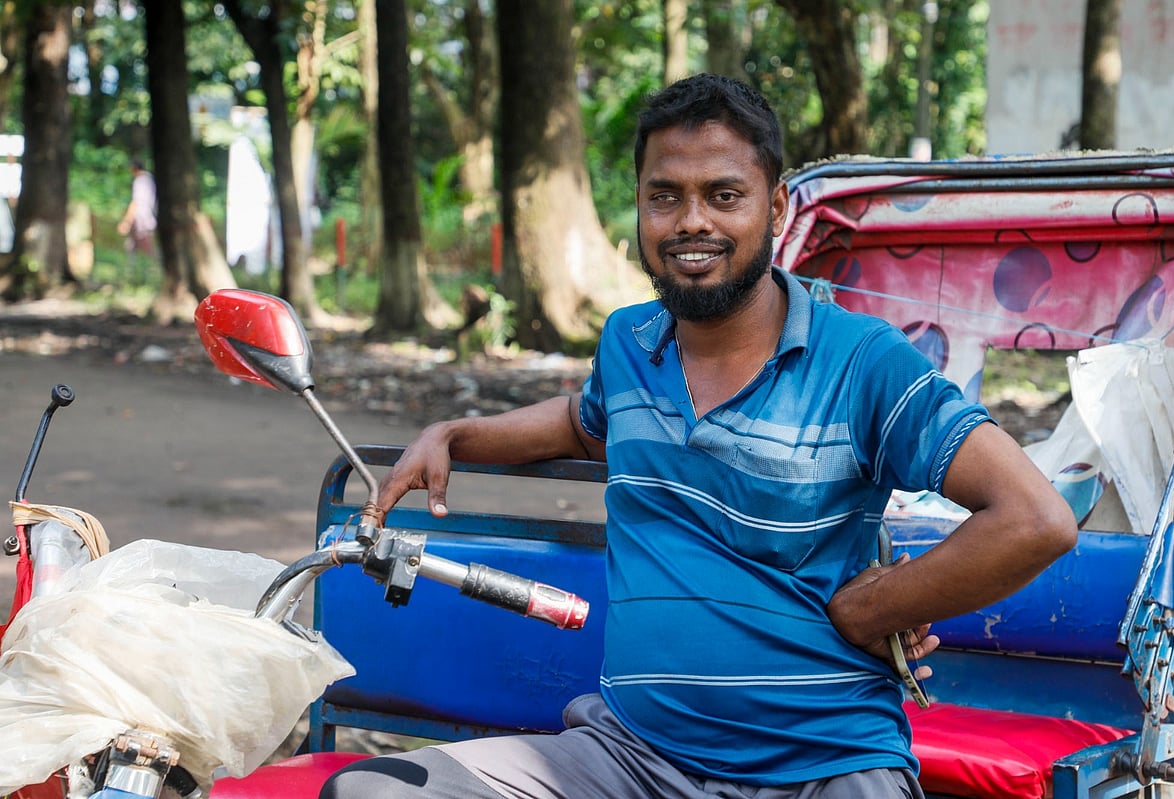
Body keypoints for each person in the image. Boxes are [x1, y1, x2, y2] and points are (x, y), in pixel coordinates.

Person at [322, 74, 1077, 799]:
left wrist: (871, 608)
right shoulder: (629, 345)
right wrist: (456, 433)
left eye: (723, 195)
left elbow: (1034, 518)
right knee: (371, 787)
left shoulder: (864, 362)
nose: (692, 222)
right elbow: (583, 422)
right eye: (665, 197)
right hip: (630, 758)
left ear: (776, 207)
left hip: (824, 764)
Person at [117, 159, 157, 266]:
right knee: (131, 244)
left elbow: (136, 202)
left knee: (145, 244)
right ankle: (132, 269)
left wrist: (126, 221)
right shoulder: (150, 179)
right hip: (148, 215)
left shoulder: (140, 180)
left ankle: (153, 267)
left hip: (141, 217)